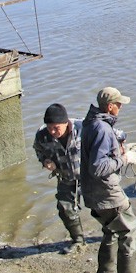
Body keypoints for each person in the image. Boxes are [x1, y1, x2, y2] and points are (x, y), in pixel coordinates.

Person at [80, 87, 136, 273]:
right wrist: (124, 160)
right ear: (110, 106)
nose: (121, 107)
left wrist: (119, 149)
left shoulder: (90, 122)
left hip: (91, 193)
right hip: (106, 193)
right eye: (119, 104)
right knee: (129, 230)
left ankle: (105, 270)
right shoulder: (102, 129)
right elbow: (98, 167)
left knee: (110, 228)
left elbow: (98, 155)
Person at [33, 103, 86, 255]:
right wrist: (45, 161)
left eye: (57, 128)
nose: (53, 131)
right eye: (50, 128)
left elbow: (114, 134)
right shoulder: (42, 135)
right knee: (65, 209)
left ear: (66, 123)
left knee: (103, 208)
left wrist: (121, 145)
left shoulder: (83, 127)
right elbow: (38, 149)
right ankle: (78, 241)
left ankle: (113, 236)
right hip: (66, 178)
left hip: (90, 177)